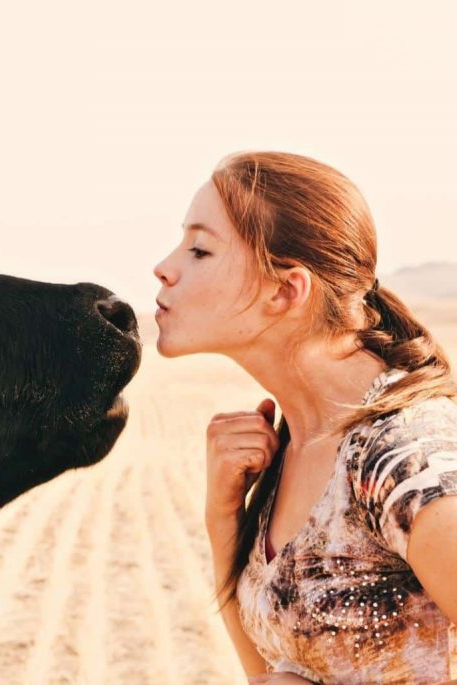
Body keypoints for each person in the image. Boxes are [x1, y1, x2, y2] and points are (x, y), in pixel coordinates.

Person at [152, 151, 457, 684]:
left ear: (285, 290)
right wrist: (223, 520)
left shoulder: (408, 462)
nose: (165, 267)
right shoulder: (296, 444)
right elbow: (272, 675)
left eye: (200, 250)